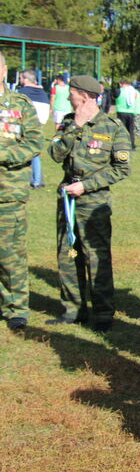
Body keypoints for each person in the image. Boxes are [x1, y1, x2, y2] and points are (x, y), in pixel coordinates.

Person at [47, 75, 132, 332]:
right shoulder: (67, 122)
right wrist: (75, 128)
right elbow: (54, 154)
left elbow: (122, 168)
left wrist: (86, 185)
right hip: (67, 201)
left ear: (84, 95)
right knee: (68, 255)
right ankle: (73, 310)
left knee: (97, 258)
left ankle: (104, 314)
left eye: (71, 93)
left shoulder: (113, 126)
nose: (68, 97)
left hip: (93, 203)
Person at [0, 51, 43, 331]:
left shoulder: (20, 105)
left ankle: (17, 307)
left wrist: (4, 153)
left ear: (3, 71)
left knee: (10, 252)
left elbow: (35, 142)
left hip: (8, 193)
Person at [17, 69, 50, 189]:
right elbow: (46, 113)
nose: (20, 81)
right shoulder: (42, 93)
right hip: (38, 126)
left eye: (20, 78)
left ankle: (25, 179)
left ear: (26, 79)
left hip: (24, 125)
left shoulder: (21, 93)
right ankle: (37, 180)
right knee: (35, 153)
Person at [115, 79, 140, 149]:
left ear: (120, 84)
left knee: (121, 130)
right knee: (131, 130)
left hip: (121, 112)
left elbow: (114, 97)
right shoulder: (132, 91)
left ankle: (121, 145)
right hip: (130, 112)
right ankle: (132, 145)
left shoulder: (118, 90)